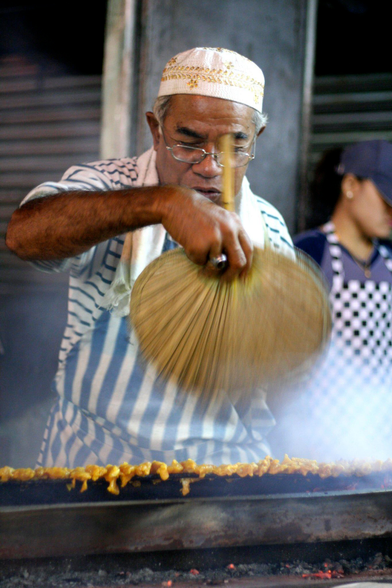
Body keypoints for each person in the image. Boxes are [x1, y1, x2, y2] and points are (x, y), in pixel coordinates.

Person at [6, 47, 294, 468]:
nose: (211, 167)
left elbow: (281, 369)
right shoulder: (107, 186)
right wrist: (165, 203)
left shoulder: (265, 225)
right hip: (93, 468)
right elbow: (24, 235)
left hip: (226, 475)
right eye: (189, 143)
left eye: (234, 146)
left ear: (255, 141)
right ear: (155, 130)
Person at [293, 140, 392, 460]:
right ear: (350, 186)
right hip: (315, 442)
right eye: (385, 198)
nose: (391, 211)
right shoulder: (309, 252)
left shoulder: (389, 263)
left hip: (378, 442)